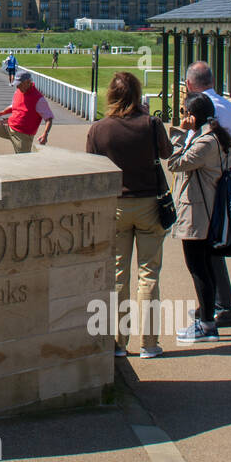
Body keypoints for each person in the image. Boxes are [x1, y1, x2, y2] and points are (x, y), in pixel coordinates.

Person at [86, 72, 172, 359]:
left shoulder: (99, 129)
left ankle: (119, 343)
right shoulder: (151, 123)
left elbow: (92, 169)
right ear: (137, 95)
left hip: (117, 206)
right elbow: (167, 151)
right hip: (149, 204)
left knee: (119, 276)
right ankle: (149, 343)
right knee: (148, 275)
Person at [166, 93, 231, 344]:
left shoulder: (206, 142)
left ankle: (207, 325)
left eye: (186, 113)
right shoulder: (218, 137)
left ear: (193, 116)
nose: (184, 117)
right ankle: (206, 318)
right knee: (204, 268)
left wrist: (178, 134)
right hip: (208, 213)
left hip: (198, 215)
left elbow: (174, 163)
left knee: (199, 269)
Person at [183, 61, 231, 326]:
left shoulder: (204, 108)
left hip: (209, 184)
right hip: (227, 180)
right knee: (214, 244)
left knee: (208, 249)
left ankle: (221, 306)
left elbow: (187, 155)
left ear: (189, 84)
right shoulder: (228, 105)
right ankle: (215, 304)